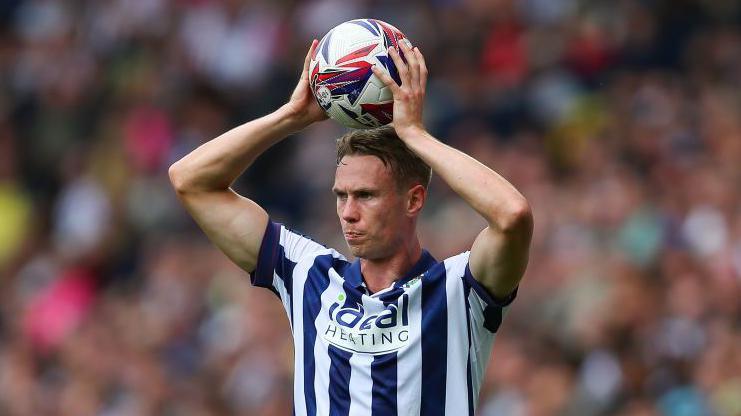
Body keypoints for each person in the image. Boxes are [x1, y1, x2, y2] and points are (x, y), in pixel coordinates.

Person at [169, 39, 533, 416]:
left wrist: (416, 136)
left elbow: (512, 215)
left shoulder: (459, 289)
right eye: (341, 196)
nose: (348, 212)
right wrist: (289, 117)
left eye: (365, 195)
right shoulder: (309, 274)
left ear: (414, 200)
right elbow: (189, 180)